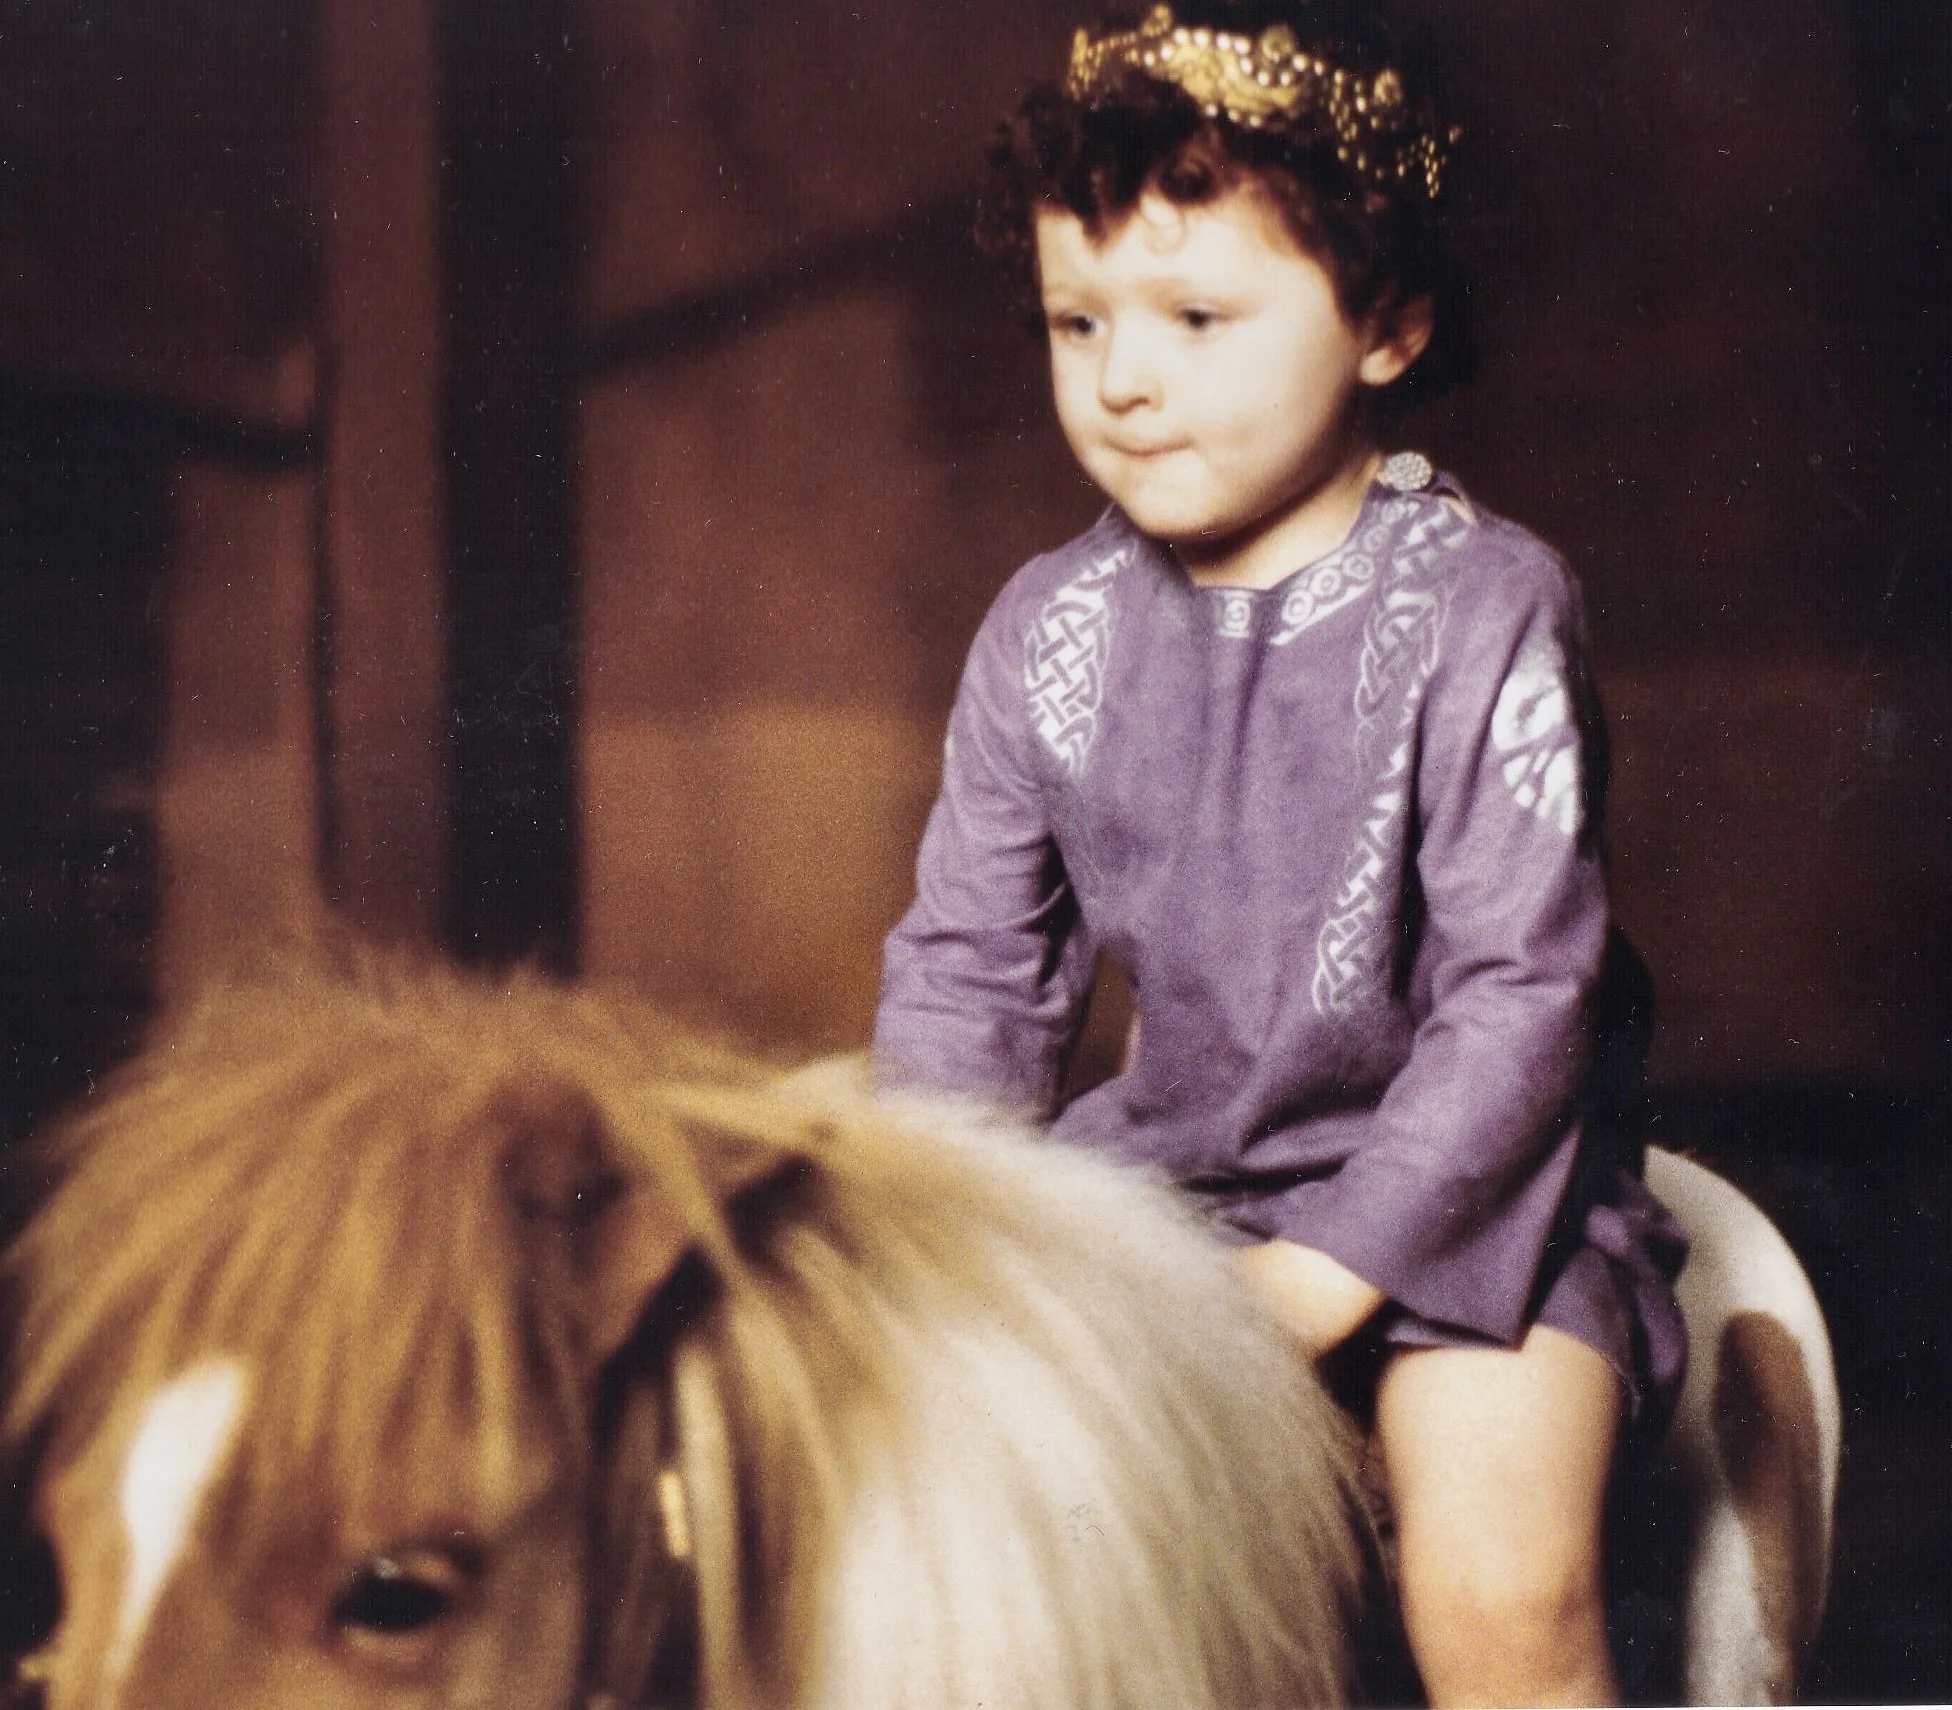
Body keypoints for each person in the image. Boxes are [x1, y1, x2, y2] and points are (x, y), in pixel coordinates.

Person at [873, 2, 1688, 1703]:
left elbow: (1523, 995)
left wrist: (1321, 1276)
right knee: (976, 1565)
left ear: (1386, 325)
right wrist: (926, 1245)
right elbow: (972, 976)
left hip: (1478, 1213)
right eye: (1078, 319)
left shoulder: (1486, 605)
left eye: (1197, 316)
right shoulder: (1045, 629)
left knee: (1496, 1583)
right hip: (1164, 1209)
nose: (1123, 377)